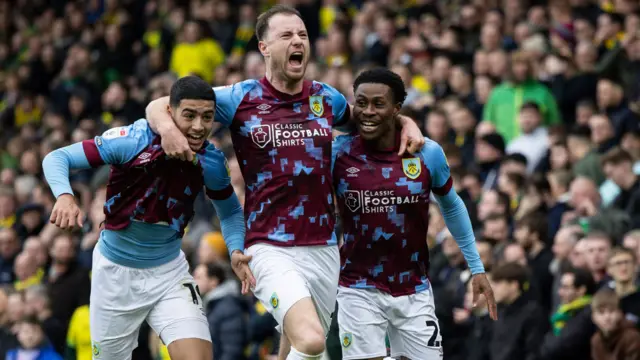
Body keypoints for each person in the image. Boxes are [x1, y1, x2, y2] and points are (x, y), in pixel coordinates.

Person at [143, 5, 425, 360]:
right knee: (311, 340)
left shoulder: (326, 98)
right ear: (263, 47)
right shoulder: (240, 98)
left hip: (323, 247)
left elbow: (372, 120)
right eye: (287, 35)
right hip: (268, 245)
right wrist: (168, 129)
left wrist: (407, 123)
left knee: (304, 351)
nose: (298, 42)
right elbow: (160, 105)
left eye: (303, 35)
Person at [41, 76, 249, 360]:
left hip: (169, 272)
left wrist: (236, 248)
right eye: (189, 116)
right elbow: (56, 158)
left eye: (207, 117)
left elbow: (231, 211)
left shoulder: (211, 162)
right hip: (115, 274)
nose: (199, 126)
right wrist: (65, 196)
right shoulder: (133, 140)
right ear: (170, 112)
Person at [331, 68, 496, 360]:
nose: (368, 111)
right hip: (357, 286)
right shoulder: (338, 153)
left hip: (414, 287)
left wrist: (476, 266)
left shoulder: (427, 153)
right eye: (361, 102)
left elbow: (453, 206)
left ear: (397, 109)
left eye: (379, 104)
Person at [590, 288, 640, 360]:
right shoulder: (596, 340)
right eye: (601, 312)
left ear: (620, 313)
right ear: (593, 317)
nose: (607, 317)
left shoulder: (632, 337)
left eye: (612, 311)